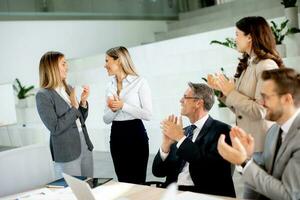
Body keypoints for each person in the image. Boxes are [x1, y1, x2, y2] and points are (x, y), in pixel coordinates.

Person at [218, 68, 300, 200]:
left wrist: (244, 163)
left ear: (287, 99)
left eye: (266, 97)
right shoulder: (273, 132)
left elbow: (289, 195)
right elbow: (265, 179)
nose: (261, 102)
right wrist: (246, 157)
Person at [207, 16, 284, 152]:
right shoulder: (247, 66)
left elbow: (260, 111)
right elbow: (241, 110)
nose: (235, 39)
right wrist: (221, 90)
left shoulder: (266, 66)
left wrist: (231, 92)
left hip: (262, 147)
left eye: (237, 34)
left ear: (250, 37)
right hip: (248, 145)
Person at [152, 83, 235, 197]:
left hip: (202, 193)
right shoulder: (182, 132)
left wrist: (180, 138)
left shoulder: (223, 130)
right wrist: (165, 146)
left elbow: (210, 171)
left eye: (185, 97)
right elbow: (158, 172)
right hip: (172, 192)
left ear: (198, 103)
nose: (181, 100)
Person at [36, 51, 94, 177]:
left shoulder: (68, 88)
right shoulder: (43, 95)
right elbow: (55, 128)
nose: (67, 67)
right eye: (63, 64)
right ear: (52, 68)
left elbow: (80, 118)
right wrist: (74, 106)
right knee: (72, 191)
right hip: (66, 149)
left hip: (84, 143)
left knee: (89, 185)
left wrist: (83, 102)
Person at [103, 46, 152, 184]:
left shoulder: (140, 82)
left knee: (138, 182)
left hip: (135, 133)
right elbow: (105, 119)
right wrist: (114, 110)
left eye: (107, 61)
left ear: (118, 60)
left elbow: (148, 114)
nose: (105, 65)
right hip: (117, 134)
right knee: (123, 182)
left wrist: (122, 106)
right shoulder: (109, 86)